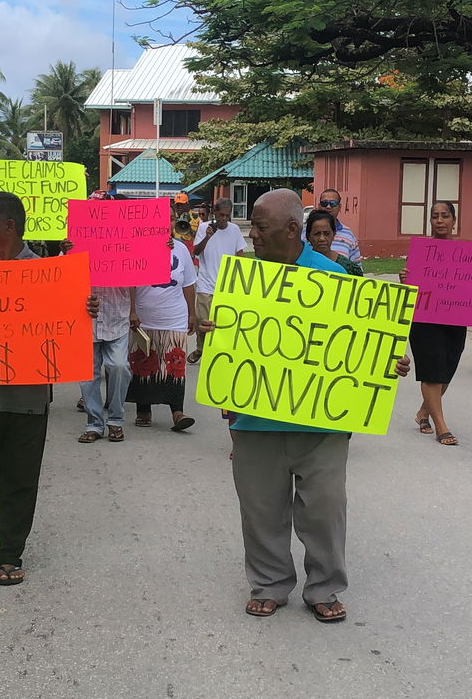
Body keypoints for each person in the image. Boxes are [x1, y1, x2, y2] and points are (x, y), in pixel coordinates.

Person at [200, 188, 410, 623]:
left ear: (292, 230)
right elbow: (228, 343)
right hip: (255, 421)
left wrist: (387, 359)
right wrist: (214, 334)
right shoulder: (242, 279)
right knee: (260, 509)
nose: (252, 234)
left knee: (325, 509)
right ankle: (269, 583)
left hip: (321, 423)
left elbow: (359, 343)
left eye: (260, 226)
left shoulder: (335, 278)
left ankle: (324, 586)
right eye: (252, 225)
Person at [0, 191, 97, 585]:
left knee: (20, 475)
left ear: (9, 226)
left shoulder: (49, 274)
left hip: (28, 398)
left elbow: (68, 327)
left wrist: (82, 308)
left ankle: (9, 553)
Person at [399, 201, 468, 447]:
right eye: (435, 216)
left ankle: (423, 413)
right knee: (432, 370)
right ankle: (442, 426)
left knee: (447, 369)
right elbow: (411, 285)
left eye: (445, 216)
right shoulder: (422, 250)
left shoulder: (466, 254)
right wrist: (405, 278)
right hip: (424, 318)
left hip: (455, 318)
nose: (439, 220)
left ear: (453, 220)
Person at [130, 236, 198, 432]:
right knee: (143, 365)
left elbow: (188, 283)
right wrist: (132, 310)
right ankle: (143, 409)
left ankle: (177, 412)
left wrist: (192, 313)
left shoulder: (181, 248)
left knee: (175, 366)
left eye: (170, 218)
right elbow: (131, 281)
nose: (166, 223)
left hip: (174, 317)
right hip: (145, 317)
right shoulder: (138, 246)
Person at [188, 199, 247, 364]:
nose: (223, 219)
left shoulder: (234, 230)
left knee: (222, 323)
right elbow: (196, 252)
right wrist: (207, 237)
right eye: (221, 215)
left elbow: (240, 253)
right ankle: (201, 348)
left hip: (226, 285)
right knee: (202, 321)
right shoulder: (203, 227)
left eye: (227, 216)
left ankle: (218, 353)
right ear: (214, 213)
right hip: (206, 283)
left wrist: (241, 276)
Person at [79, 284, 132, 444]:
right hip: (85, 318)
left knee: (120, 366)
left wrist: (134, 311)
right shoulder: (74, 256)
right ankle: (94, 424)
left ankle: (115, 419)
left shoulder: (126, 258)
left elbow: (134, 280)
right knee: (88, 375)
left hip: (117, 317)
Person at [310, 188, 362, 267]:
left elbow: (356, 269)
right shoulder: (306, 231)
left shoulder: (348, 235)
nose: (328, 206)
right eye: (324, 203)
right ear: (319, 206)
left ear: (339, 207)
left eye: (333, 203)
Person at [305, 209, 363, 276]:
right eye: (317, 234)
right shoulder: (301, 265)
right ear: (308, 236)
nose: (322, 238)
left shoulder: (348, 268)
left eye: (327, 233)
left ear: (334, 234)